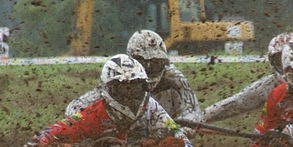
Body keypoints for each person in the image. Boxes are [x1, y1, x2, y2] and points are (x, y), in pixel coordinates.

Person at [23, 54, 197, 147]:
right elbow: (56, 130)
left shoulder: (152, 109)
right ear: (108, 90)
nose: (129, 96)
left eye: (135, 88)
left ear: (144, 87)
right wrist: (37, 143)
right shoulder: (93, 112)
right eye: (123, 89)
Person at [66, 30, 203, 125]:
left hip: (163, 127)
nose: (150, 69)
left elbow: (193, 110)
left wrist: (182, 129)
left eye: (156, 63)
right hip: (124, 130)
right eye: (144, 63)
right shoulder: (119, 76)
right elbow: (76, 107)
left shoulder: (173, 76)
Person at [201, 32, 293, 123]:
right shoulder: (268, 85)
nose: (289, 66)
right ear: (274, 62)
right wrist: (200, 119)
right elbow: (235, 103)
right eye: (281, 60)